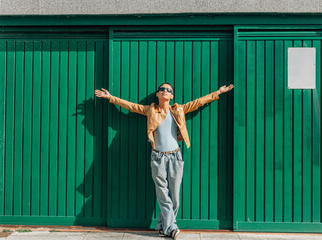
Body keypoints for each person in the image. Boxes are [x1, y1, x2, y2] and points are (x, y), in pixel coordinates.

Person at [94, 83, 234, 239]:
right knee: (163, 194)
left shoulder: (178, 109)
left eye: (169, 90)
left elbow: (198, 102)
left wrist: (218, 92)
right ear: (157, 94)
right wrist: (110, 97)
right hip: (158, 157)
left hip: (175, 156)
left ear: (172, 96)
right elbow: (131, 106)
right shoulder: (150, 110)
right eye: (162, 89)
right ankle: (171, 228)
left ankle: (162, 226)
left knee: (174, 196)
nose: (165, 91)